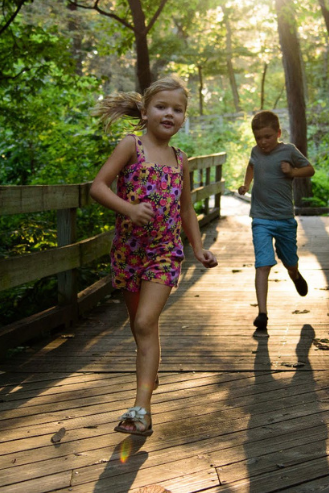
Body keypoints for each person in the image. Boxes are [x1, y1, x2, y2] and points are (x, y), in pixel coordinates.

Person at [90, 75, 218, 436]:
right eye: (162, 107)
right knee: (140, 327)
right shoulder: (131, 145)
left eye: (177, 110)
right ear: (145, 112)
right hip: (128, 250)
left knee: (146, 322)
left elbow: (187, 209)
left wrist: (196, 247)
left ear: (183, 118)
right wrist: (128, 209)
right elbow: (98, 187)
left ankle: (140, 409)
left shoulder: (180, 159)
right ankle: (150, 377)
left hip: (164, 250)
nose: (169, 114)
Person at [237, 110, 315, 332]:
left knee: (289, 261)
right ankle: (262, 314)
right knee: (263, 264)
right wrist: (246, 185)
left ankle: (295, 274)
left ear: (278, 133)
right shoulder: (256, 152)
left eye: (268, 136)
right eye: (258, 138)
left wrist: (292, 171)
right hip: (260, 218)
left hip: (284, 220)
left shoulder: (288, 151)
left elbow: (310, 169)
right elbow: (251, 166)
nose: (263, 142)